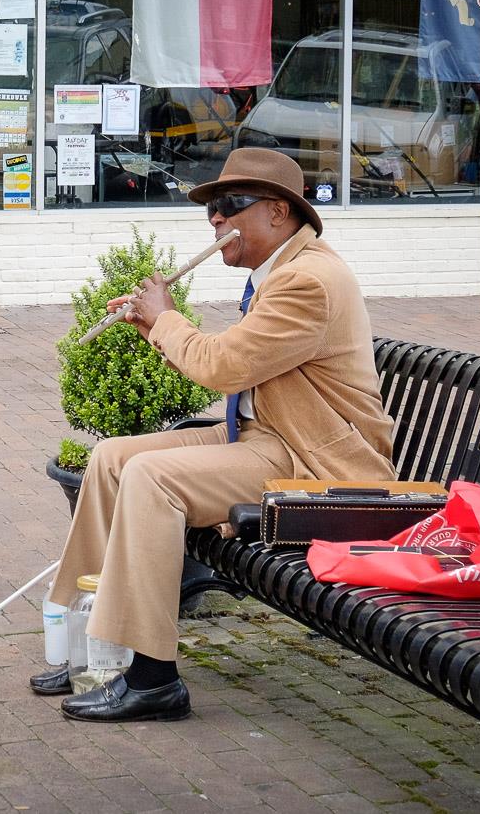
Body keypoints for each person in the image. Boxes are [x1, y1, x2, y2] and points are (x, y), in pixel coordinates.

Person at [38, 147, 397, 723]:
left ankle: (154, 679)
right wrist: (157, 323)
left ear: (279, 212)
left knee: (152, 477)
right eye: (212, 209)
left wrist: (164, 318)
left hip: (314, 459)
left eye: (230, 206)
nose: (215, 220)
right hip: (268, 437)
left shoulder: (308, 281)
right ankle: (89, 642)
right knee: (110, 458)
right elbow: (231, 364)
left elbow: (223, 368)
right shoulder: (281, 271)